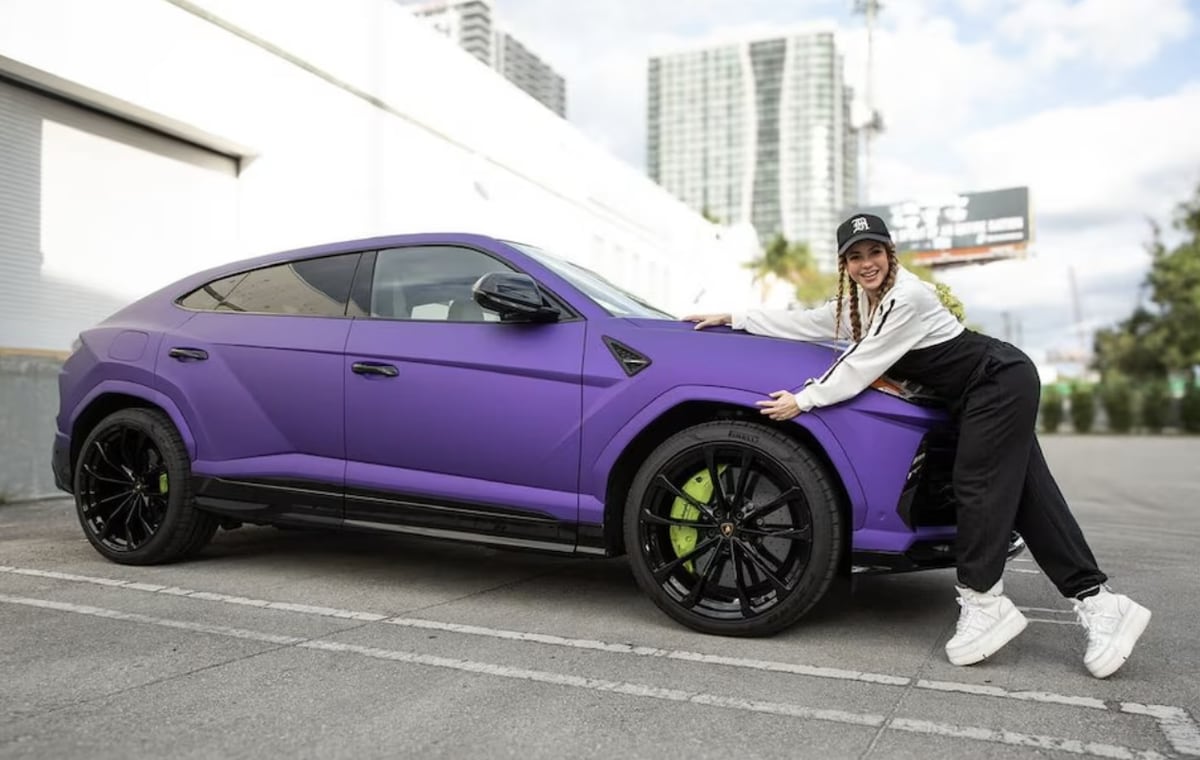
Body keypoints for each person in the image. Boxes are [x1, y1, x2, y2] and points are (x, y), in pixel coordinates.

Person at [684, 213, 1150, 679]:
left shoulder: (906, 297)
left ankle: (984, 602)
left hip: (997, 380)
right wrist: (735, 317)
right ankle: (1102, 603)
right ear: (845, 264)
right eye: (856, 256)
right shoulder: (860, 305)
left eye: (875, 253)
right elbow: (806, 322)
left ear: (890, 254)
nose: (868, 264)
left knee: (977, 485)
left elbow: (860, 365)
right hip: (985, 389)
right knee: (1031, 499)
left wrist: (802, 400)